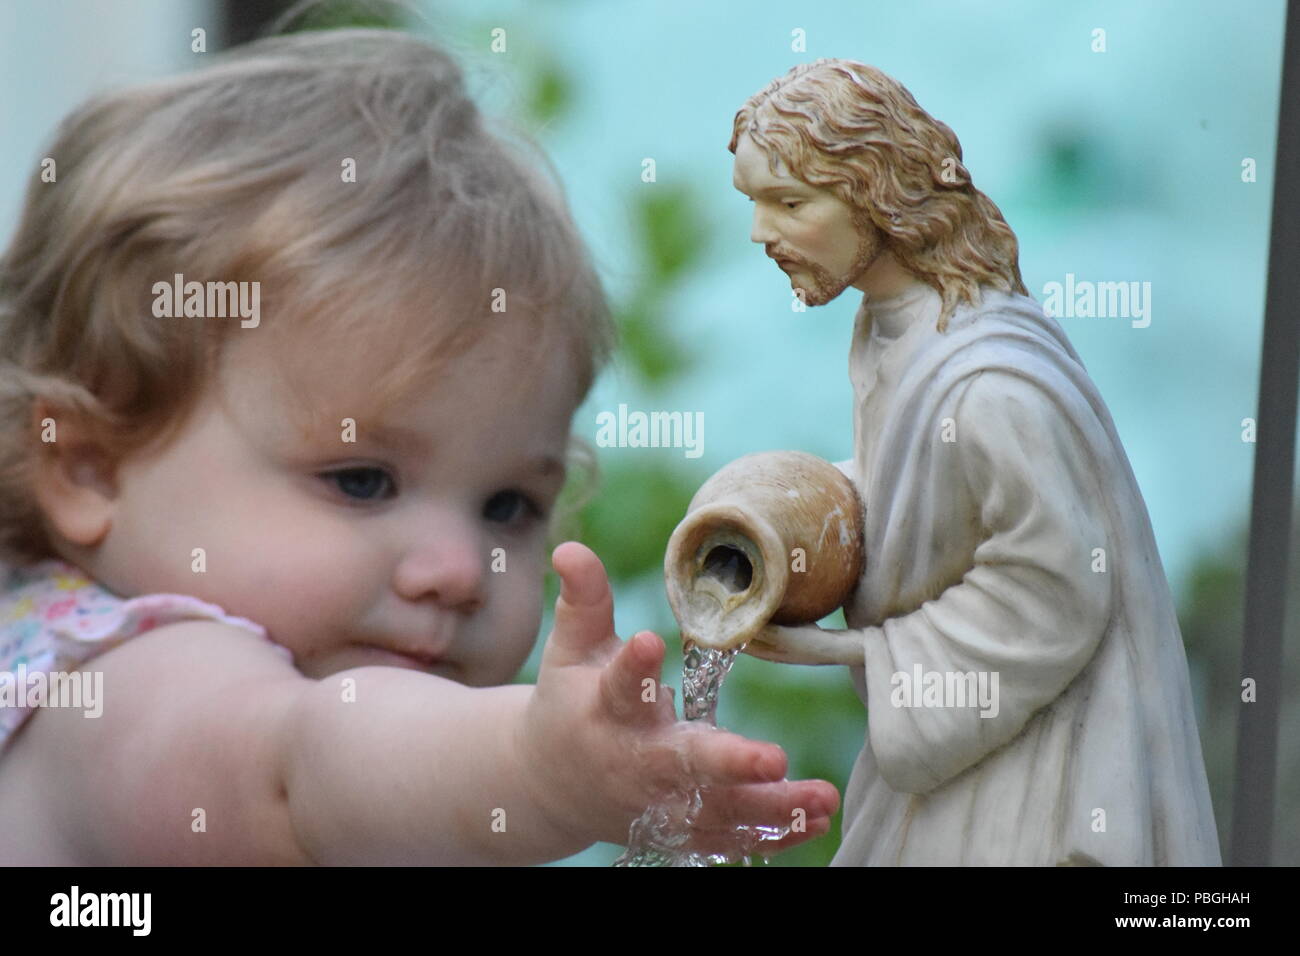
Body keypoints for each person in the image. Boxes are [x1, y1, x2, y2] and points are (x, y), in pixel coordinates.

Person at [0, 28, 840, 865]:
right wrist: (531, 769)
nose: (460, 570)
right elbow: (301, 765)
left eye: (508, 506)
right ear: (90, 468)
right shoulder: (123, 684)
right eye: (362, 480)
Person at [729, 59, 1220, 865]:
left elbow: (1057, 583)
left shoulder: (989, 386)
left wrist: (853, 651)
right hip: (962, 755)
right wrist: (802, 522)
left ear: (873, 193)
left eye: (788, 202)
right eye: (753, 203)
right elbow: (925, 494)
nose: (759, 233)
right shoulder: (895, 326)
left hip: (1032, 784)